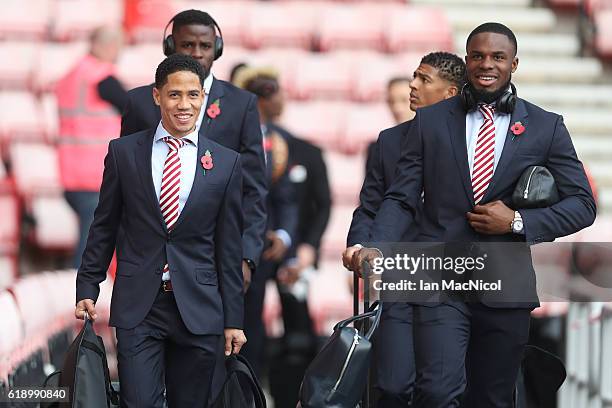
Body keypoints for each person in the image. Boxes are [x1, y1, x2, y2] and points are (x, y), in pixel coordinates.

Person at [352, 23, 596, 407]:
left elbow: (582, 204)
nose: (487, 64)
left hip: (506, 286)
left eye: (498, 57)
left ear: (514, 63)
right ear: (466, 62)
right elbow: (400, 198)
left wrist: (516, 221)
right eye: (478, 56)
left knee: (492, 398)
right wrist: (377, 246)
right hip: (438, 284)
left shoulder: (546, 126)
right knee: (436, 392)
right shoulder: (431, 122)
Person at [74, 54, 246, 408]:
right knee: (137, 402)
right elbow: (104, 224)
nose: (184, 105)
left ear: (203, 98)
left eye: (193, 95)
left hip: (199, 308)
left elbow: (228, 247)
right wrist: (88, 284)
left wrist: (234, 319)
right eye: (174, 95)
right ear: (157, 96)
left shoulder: (227, 163)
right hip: (140, 304)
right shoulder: (123, 153)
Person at [343, 52, 466, 408]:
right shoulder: (389, 141)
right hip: (398, 274)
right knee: (393, 386)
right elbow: (370, 205)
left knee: (440, 391)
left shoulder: (472, 143)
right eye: (414, 76)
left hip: (452, 279)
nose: (412, 86)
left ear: (450, 93)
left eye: (424, 80)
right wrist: (359, 244)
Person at [120, 9, 266, 291]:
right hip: (149, 262)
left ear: (218, 49)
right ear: (170, 47)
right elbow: (125, 187)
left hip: (216, 258)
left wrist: (247, 257)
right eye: (188, 45)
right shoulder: (140, 102)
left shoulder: (241, 105)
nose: (197, 53)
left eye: (206, 46)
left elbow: (253, 189)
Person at [236, 66, 332, 407]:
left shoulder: (291, 146)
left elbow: (299, 201)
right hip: (248, 251)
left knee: (298, 333)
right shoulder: (229, 141)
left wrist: (291, 241)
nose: (280, 97)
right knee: (247, 328)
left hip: (285, 252)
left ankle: (298, 397)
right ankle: (246, 394)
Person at [233, 67, 300, 381]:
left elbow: (286, 196)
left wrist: (283, 236)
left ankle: (248, 390)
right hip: (223, 241)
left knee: (252, 325)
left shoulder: (279, 141)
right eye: (276, 91)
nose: (283, 98)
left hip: (258, 248)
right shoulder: (224, 135)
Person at [56, 26, 127, 268]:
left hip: (71, 173)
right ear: (107, 46)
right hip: (93, 175)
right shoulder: (101, 76)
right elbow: (132, 108)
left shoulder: (72, 76)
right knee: (90, 248)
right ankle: (77, 297)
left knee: (91, 241)